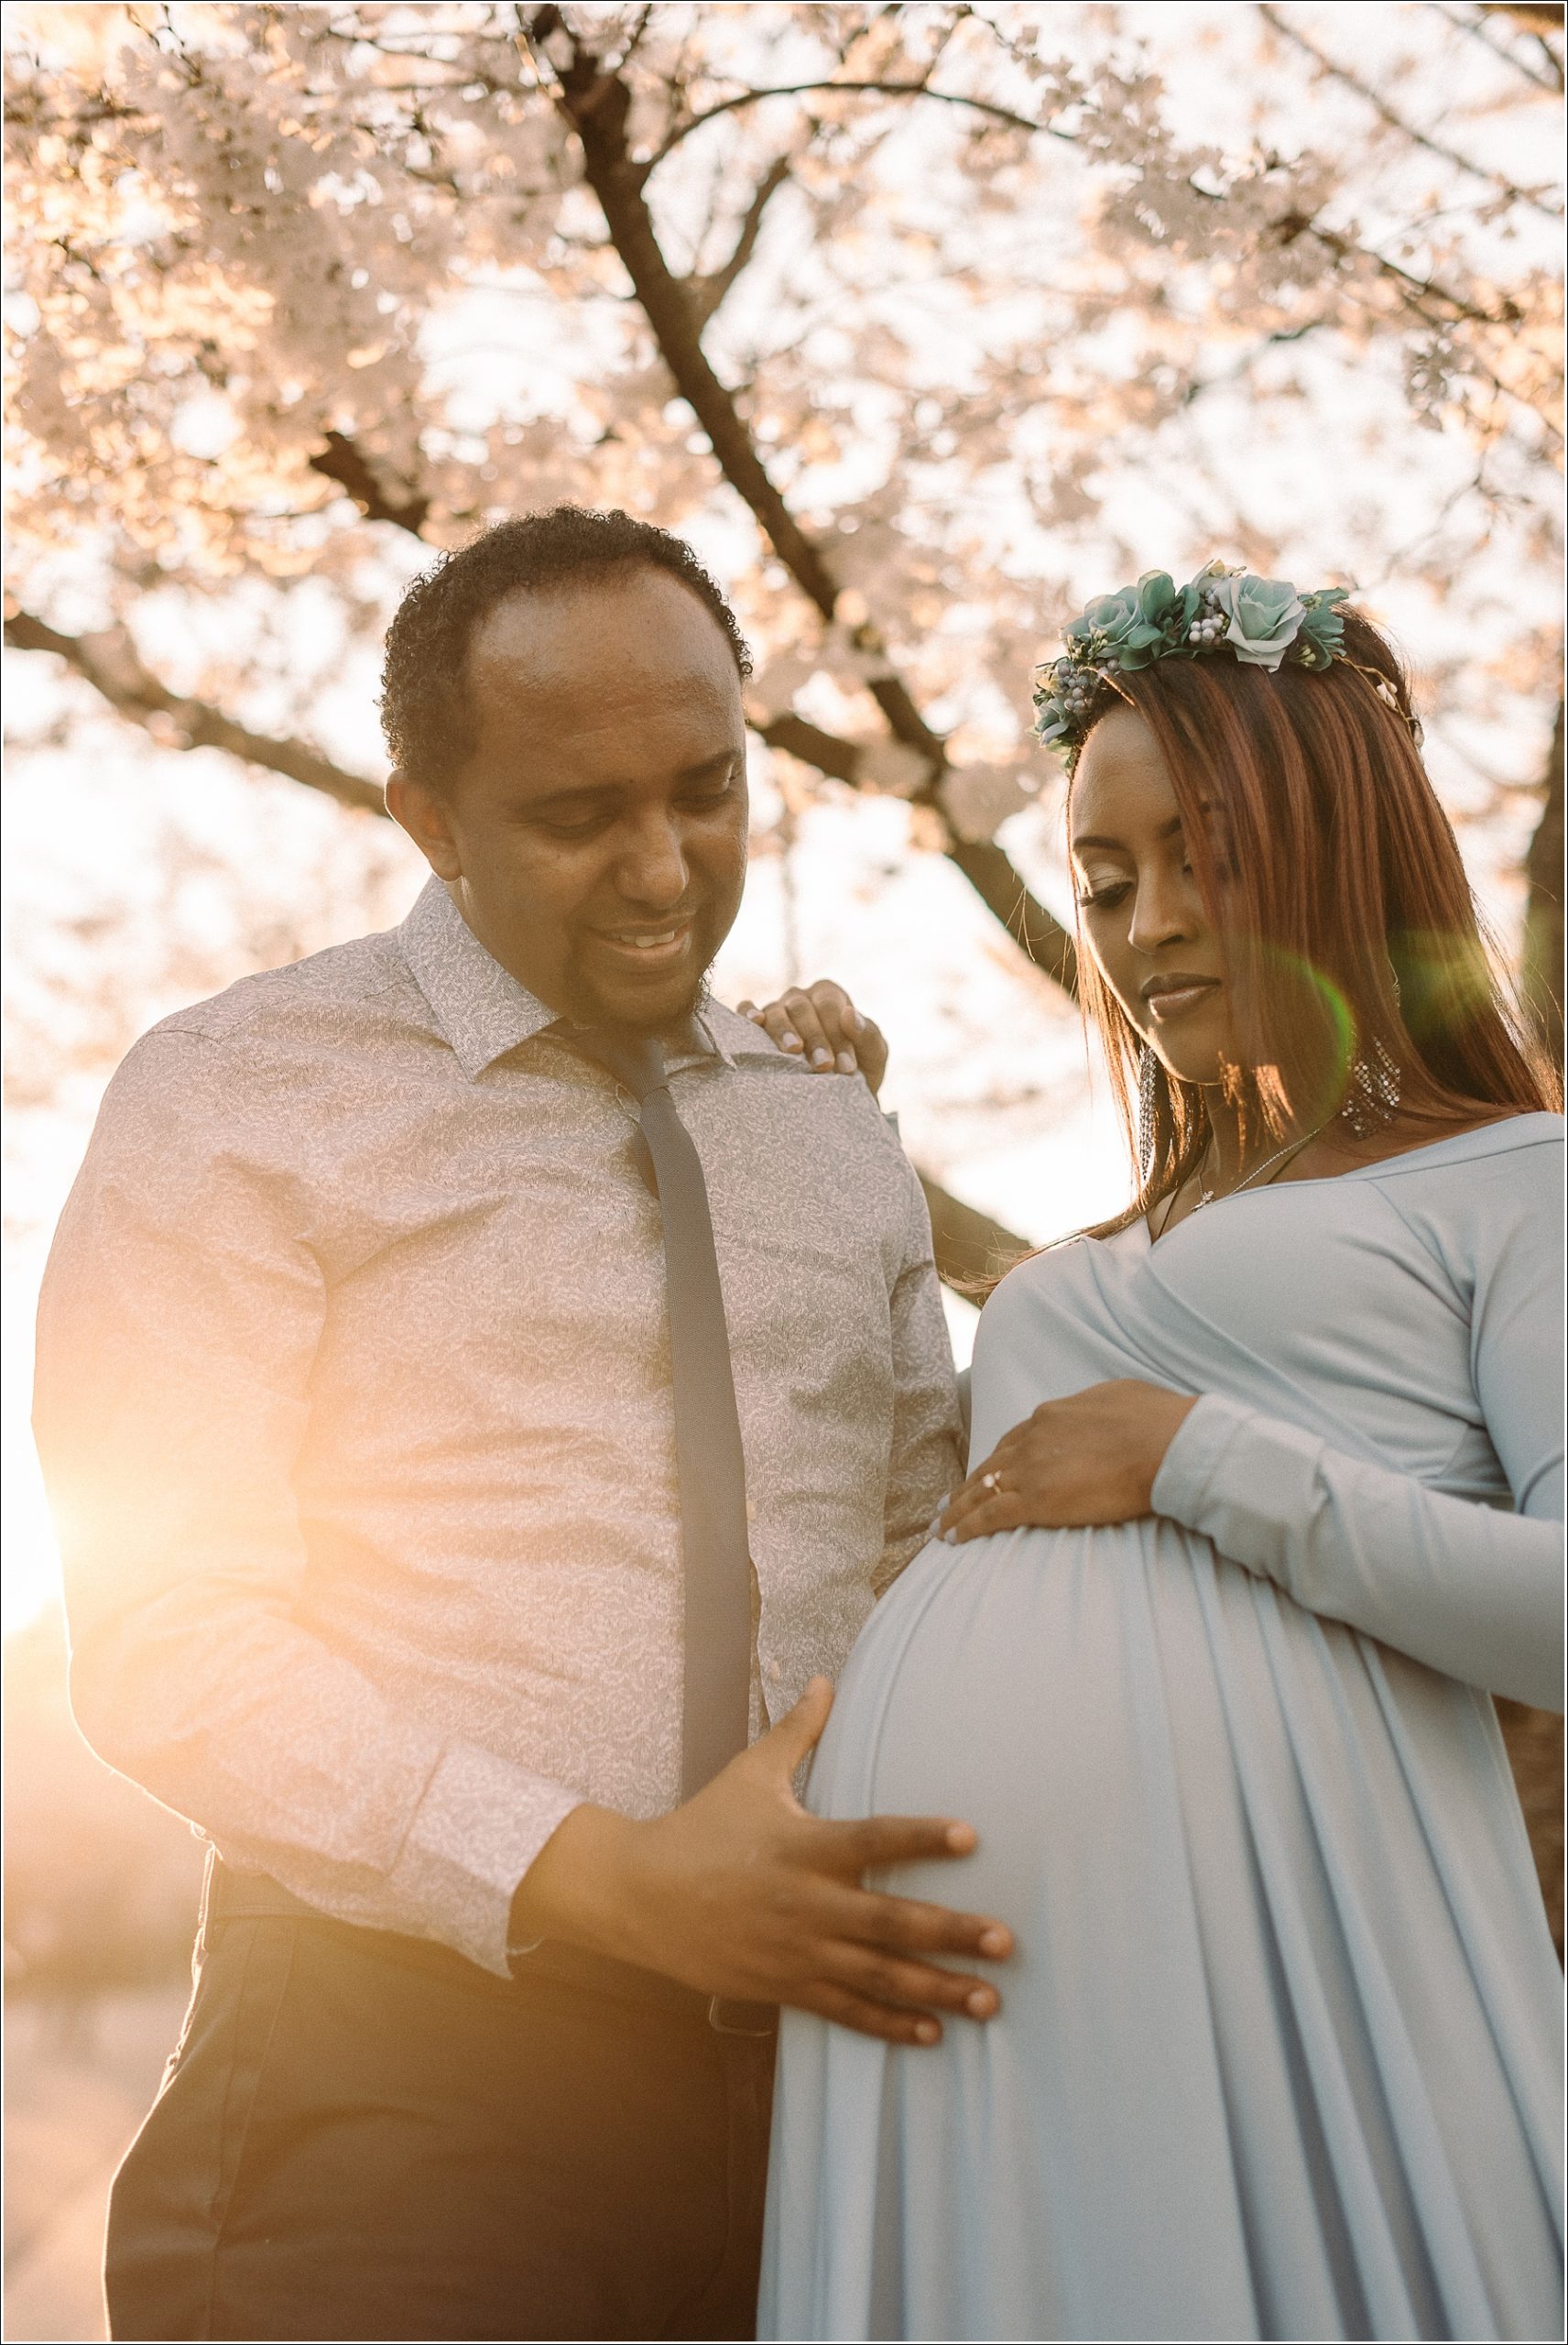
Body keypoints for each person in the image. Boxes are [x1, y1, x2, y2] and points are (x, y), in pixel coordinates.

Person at [31, 506, 1018, 2344]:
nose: (661, 867)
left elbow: (909, 1556)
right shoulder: (240, 1093)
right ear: (430, 818)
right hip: (396, 2095)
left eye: (706, 791)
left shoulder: (825, 1127)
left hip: (827, 2108)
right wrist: (597, 1876)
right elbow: (170, 1636)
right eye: (577, 816)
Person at [757, 563, 1565, 2342]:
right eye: (1106, 881)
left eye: (1206, 851)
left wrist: (1205, 1458)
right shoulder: (1120, 1234)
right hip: (955, 2008)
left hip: (1288, 1986)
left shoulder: (1518, 1179)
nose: (1149, 923)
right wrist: (835, 1145)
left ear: (1345, 835)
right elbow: (941, 1493)